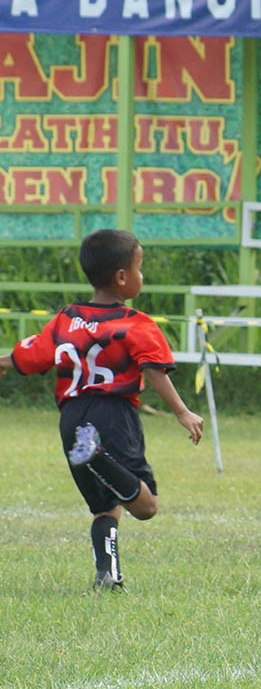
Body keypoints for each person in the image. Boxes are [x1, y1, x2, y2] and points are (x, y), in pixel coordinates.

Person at [0, 229, 203, 592]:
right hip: (114, 416)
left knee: (105, 507)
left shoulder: (66, 319)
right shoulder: (135, 324)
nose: (142, 275)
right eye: (140, 268)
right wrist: (182, 412)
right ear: (123, 277)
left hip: (71, 418)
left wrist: (3, 361)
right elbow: (154, 371)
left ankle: (107, 575)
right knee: (146, 506)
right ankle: (97, 457)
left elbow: (32, 356)